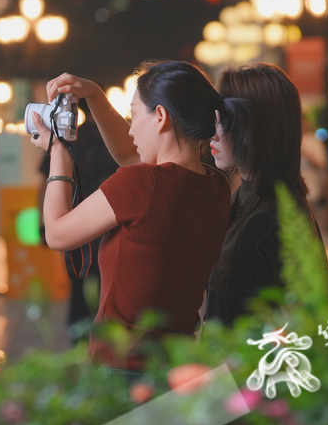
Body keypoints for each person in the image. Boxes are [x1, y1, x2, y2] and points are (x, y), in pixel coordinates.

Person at [30, 62, 231, 370]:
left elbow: (57, 234)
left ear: (161, 117)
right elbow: (129, 155)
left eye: (134, 116)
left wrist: (58, 152)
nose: (131, 128)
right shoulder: (215, 187)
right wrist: (95, 96)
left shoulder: (142, 184)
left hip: (121, 365)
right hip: (176, 363)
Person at [207, 63, 328, 325]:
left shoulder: (270, 218)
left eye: (225, 119)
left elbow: (300, 331)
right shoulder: (249, 199)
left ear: (256, 126)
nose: (214, 130)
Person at [37, 115, 119, 343]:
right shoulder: (115, 138)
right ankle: (106, 341)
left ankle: (79, 340)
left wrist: (42, 224)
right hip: (112, 226)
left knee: (78, 283)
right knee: (109, 286)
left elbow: (44, 183)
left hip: (74, 227)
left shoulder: (65, 140)